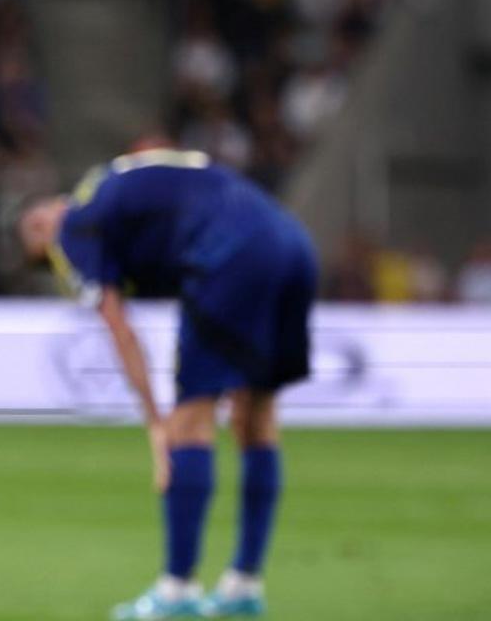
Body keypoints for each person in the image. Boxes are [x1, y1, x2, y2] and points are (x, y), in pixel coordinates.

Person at [18, 146, 317, 619]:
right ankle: (244, 584)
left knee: (188, 424)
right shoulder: (111, 180)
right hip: (291, 242)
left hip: (229, 253)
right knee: (255, 417)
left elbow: (121, 328)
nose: (39, 225)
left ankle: (177, 590)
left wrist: (156, 425)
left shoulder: (75, 229)